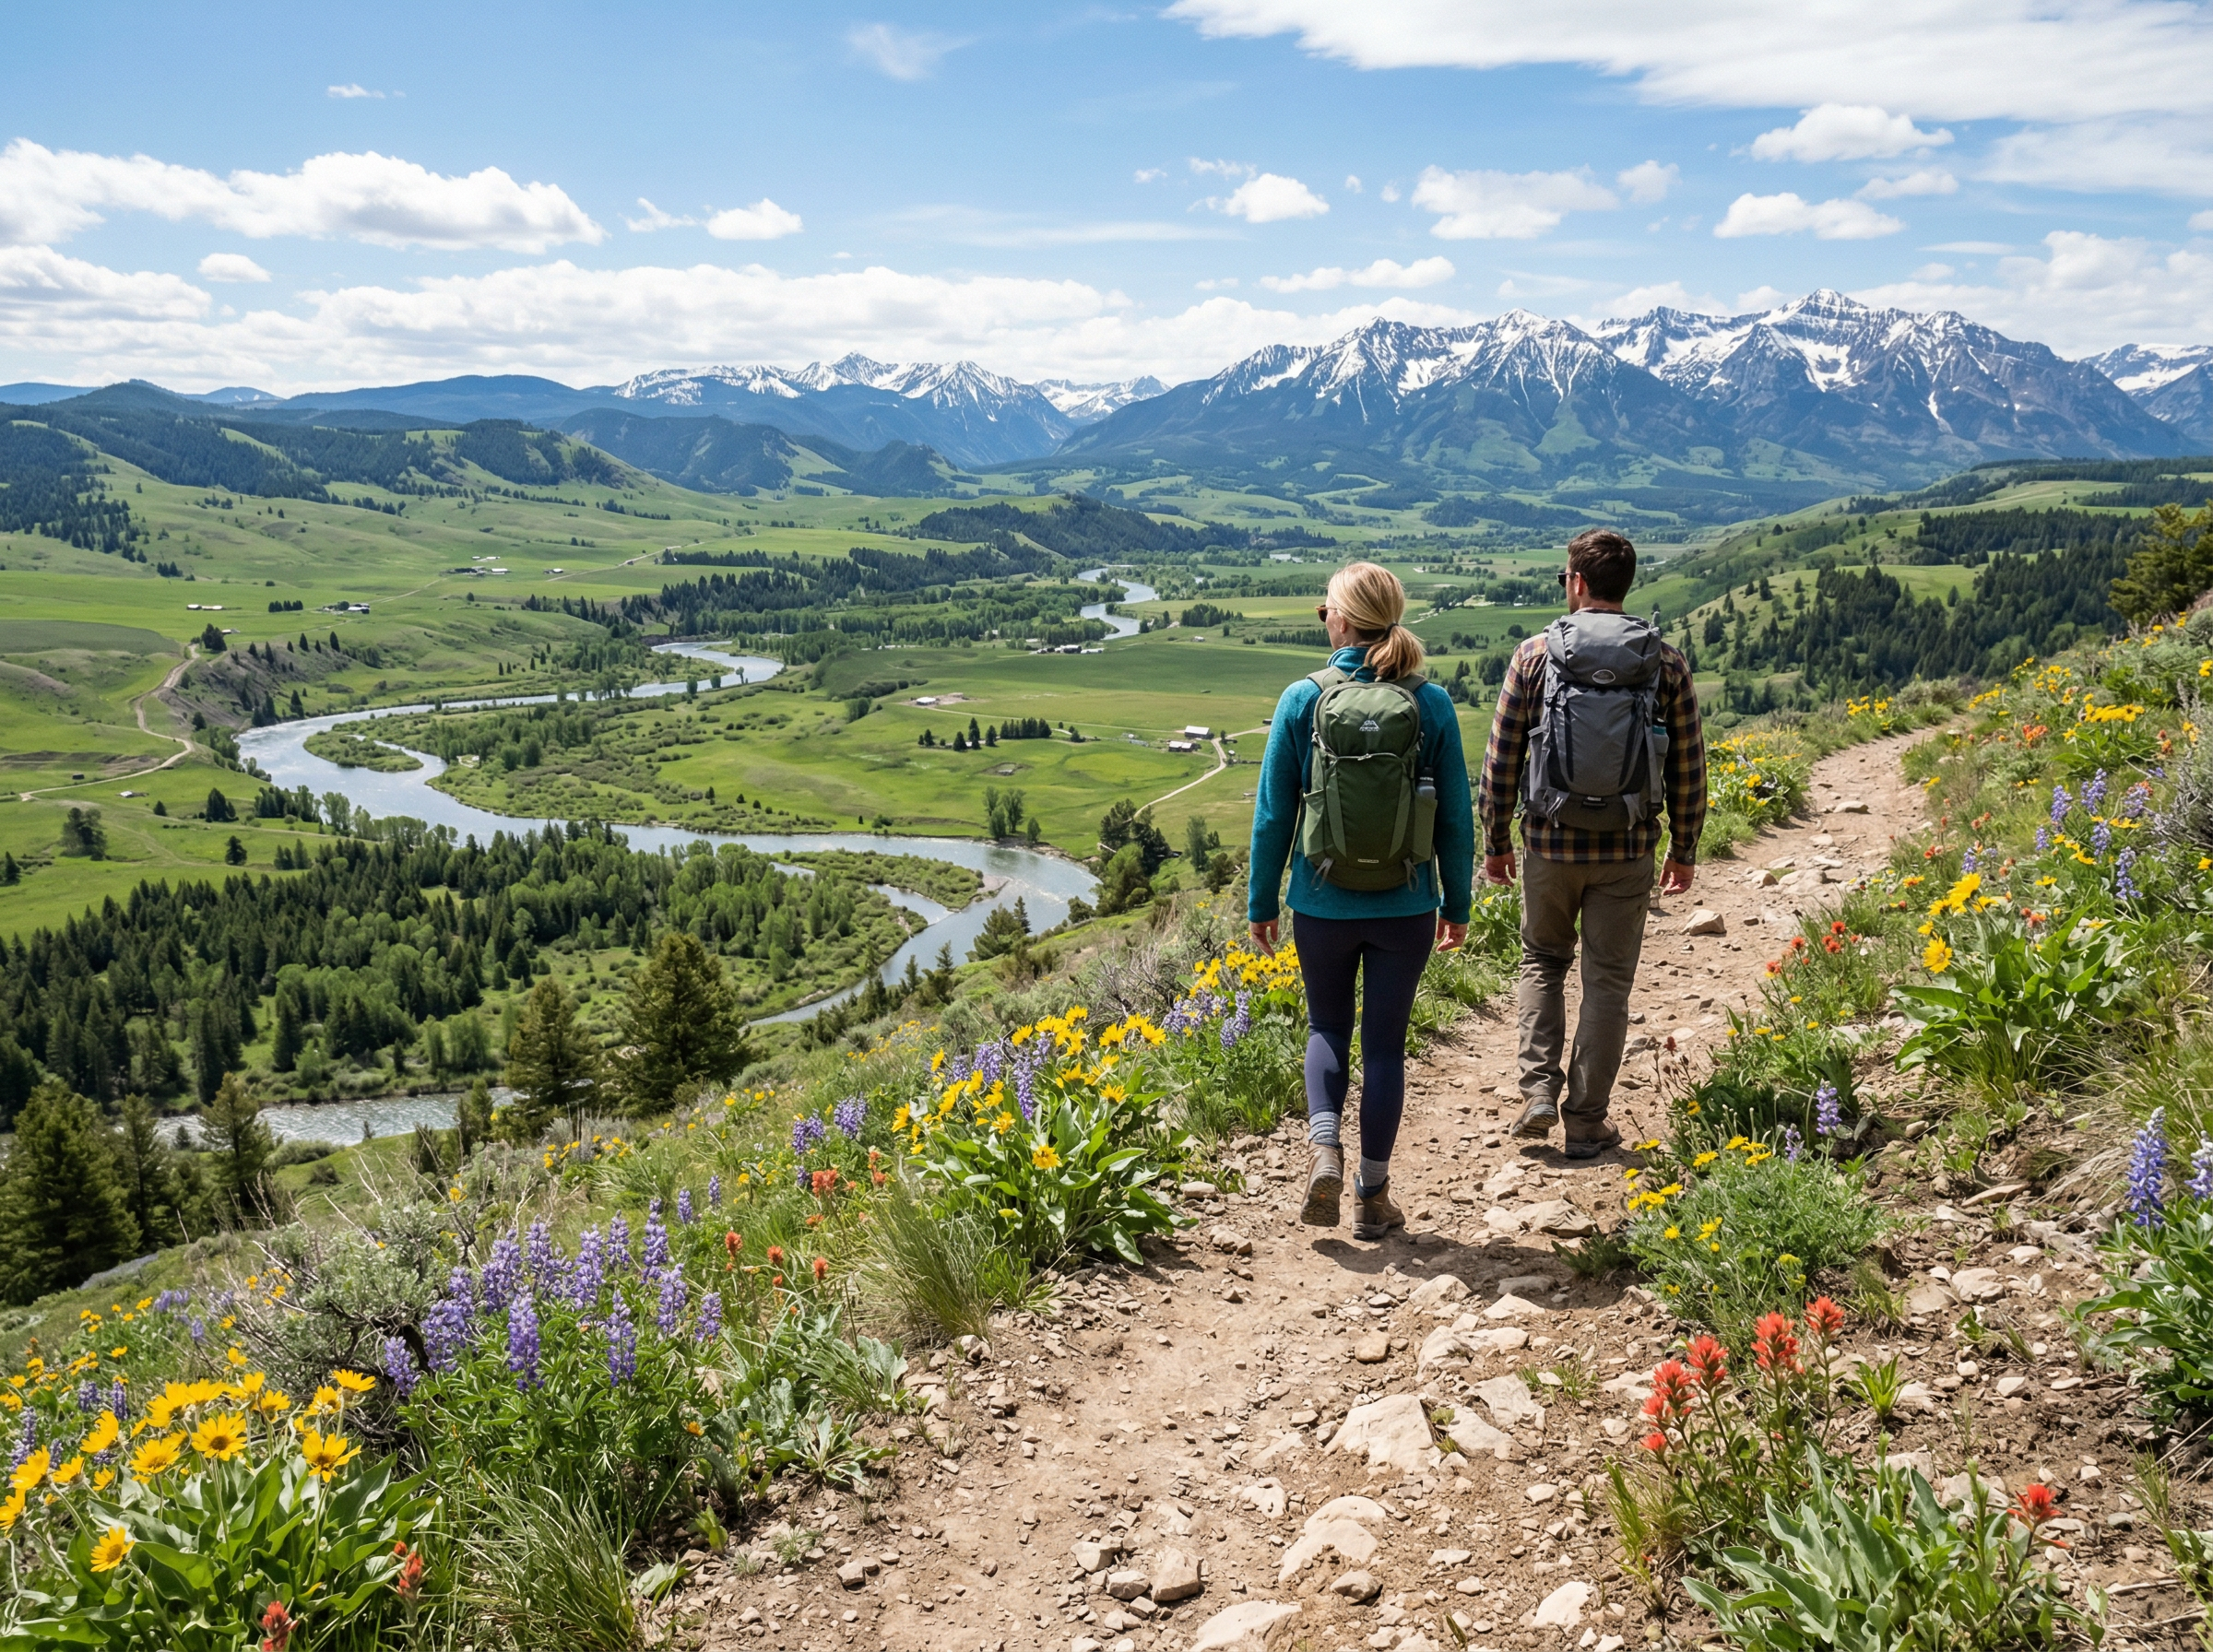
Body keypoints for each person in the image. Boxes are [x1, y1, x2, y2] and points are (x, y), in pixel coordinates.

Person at [1249, 561, 1474, 1238]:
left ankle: (1323, 1151)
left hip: (1322, 900)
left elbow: (1271, 816)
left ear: (1340, 621)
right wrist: (1456, 904)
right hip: (1406, 905)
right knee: (1384, 1047)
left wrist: (1264, 902)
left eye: (1326, 612)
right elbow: (1457, 818)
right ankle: (1371, 1196)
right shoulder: (1429, 703)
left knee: (1326, 1028)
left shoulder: (1301, 699)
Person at [1480, 528, 1706, 1159]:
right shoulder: (1664, 661)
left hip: (1549, 844)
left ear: (1576, 582)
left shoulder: (1534, 656)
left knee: (1541, 962)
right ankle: (1586, 1122)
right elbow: (1688, 764)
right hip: (1627, 849)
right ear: (1625, 585)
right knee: (1607, 981)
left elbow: (1502, 760)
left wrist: (1497, 840)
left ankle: (1535, 1094)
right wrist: (1683, 848)